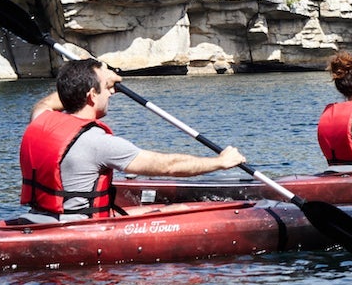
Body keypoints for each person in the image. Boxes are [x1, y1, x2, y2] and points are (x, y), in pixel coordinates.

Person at [18, 59, 245, 220]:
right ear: (91, 95)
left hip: (40, 218)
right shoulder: (99, 143)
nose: (111, 92)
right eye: (105, 88)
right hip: (78, 227)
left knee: (160, 210)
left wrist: (78, 85)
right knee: (179, 211)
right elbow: (168, 166)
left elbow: (45, 103)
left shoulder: (40, 120)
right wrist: (220, 162)